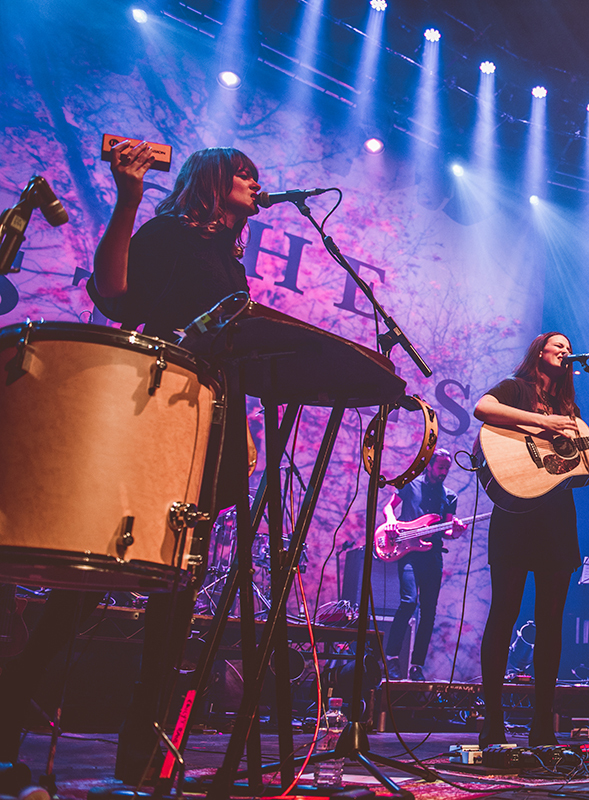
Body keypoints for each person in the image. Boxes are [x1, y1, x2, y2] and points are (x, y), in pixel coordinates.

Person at [0, 143, 261, 781]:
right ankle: (7, 726)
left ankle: (141, 767)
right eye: (243, 173)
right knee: (85, 587)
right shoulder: (168, 232)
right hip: (158, 423)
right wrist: (127, 199)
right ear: (210, 180)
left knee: (176, 593)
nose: (256, 182)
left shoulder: (230, 255)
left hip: (209, 420)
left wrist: (243, 422)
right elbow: (115, 296)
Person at [473, 332, 589, 747]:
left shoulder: (570, 411)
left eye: (567, 347)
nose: (564, 350)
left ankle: (543, 724)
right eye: (556, 345)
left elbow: (587, 463)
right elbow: (482, 408)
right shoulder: (515, 387)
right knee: (504, 613)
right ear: (539, 352)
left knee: (551, 623)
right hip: (513, 515)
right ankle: (492, 721)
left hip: (556, 518)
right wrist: (544, 422)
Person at [381, 448, 466, 681]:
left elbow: (447, 530)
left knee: (428, 613)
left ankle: (416, 666)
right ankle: (391, 658)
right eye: (440, 467)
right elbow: (389, 506)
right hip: (408, 552)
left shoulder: (449, 496)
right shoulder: (410, 485)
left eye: (447, 469)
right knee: (409, 602)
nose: (444, 472)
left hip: (433, 556)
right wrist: (391, 521)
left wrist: (456, 532)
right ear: (429, 466)